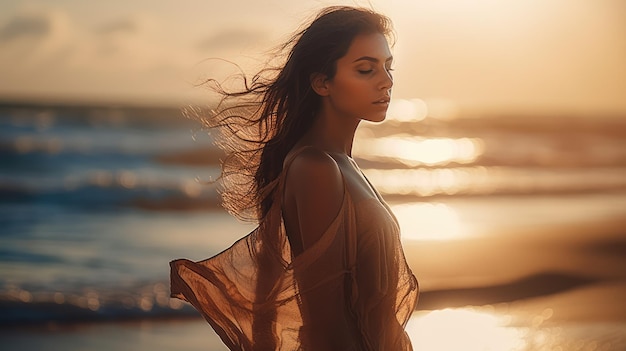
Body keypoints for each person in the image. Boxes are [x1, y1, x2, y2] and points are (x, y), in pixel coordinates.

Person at [170, 6, 419, 350]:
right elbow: (326, 321)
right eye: (365, 69)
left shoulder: (343, 164)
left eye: (388, 67)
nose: (386, 81)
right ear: (322, 82)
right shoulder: (315, 168)